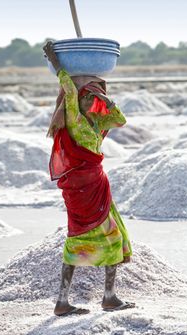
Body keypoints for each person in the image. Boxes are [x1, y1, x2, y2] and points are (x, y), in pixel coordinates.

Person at [43, 41, 135, 317]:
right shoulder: (75, 121)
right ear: (78, 100)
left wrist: (105, 98)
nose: (89, 100)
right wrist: (55, 61)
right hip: (82, 187)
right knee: (93, 238)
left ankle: (76, 300)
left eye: (93, 98)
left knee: (97, 237)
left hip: (94, 186)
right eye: (87, 97)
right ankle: (104, 298)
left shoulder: (97, 124)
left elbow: (120, 120)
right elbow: (69, 88)